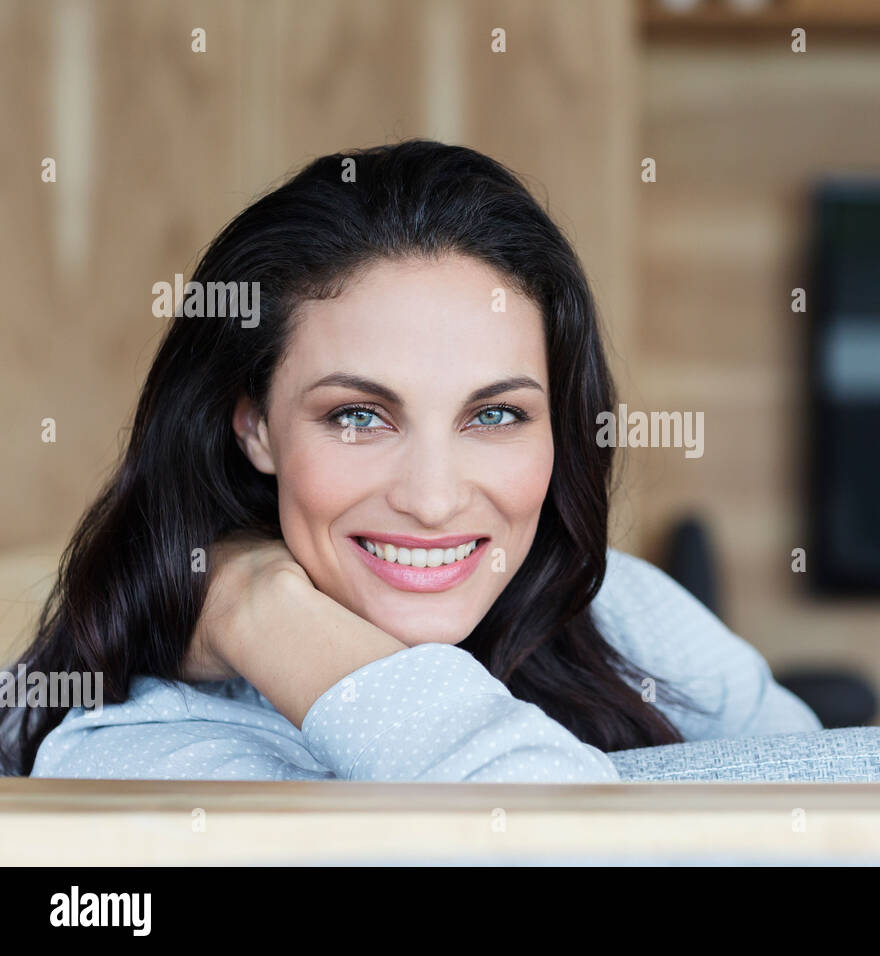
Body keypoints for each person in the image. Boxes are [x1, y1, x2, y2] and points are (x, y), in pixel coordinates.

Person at [1, 140, 821, 782]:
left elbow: (852, 830)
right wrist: (259, 613)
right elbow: (562, 845)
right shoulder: (137, 748)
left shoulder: (620, 614)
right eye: (359, 416)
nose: (432, 501)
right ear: (252, 427)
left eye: (496, 414)